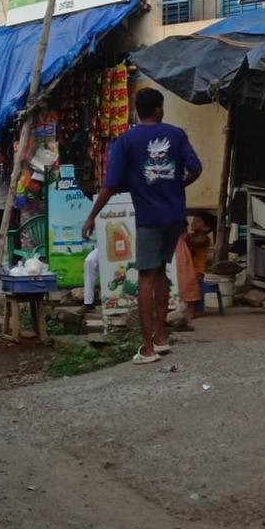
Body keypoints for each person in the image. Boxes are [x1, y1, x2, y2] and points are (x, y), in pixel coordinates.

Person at [82, 87, 203, 364]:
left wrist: (92, 216)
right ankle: (161, 338)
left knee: (146, 278)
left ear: (137, 110)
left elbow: (110, 185)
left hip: (149, 219)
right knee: (160, 272)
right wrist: (177, 185)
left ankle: (147, 348)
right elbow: (196, 168)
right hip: (175, 217)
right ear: (159, 109)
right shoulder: (177, 134)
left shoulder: (125, 141)